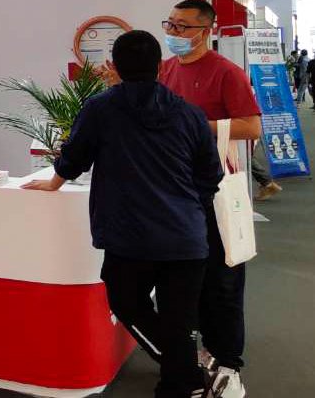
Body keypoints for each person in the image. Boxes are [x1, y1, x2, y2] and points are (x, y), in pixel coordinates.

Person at [25, 31, 223, 398]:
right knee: (178, 320)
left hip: (130, 236)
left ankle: (185, 374)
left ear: (114, 66)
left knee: (127, 303)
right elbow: (211, 174)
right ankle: (183, 380)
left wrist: (54, 182)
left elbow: (75, 156)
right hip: (186, 237)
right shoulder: (190, 114)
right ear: (160, 67)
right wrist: (187, 206)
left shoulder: (101, 109)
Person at [158, 0, 263, 398]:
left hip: (216, 192)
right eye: (170, 24)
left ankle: (229, 362)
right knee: (187, 280)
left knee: (223, 279)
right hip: (175, 192)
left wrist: (199, 125)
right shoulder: (167, 69)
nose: (174, 33)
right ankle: (203, 351)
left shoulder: (226, 73)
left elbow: (251, 127)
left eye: (182, 27)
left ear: (206, 32)